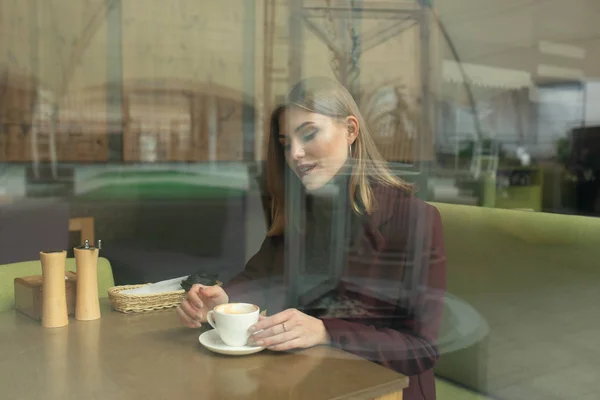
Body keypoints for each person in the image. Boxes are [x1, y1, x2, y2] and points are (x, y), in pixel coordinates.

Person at [177, 77, 446, 400]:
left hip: (381, 392)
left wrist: (325, 332)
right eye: (286, 142)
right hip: (304, 381)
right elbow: (259, 277)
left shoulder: (414, 220)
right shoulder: (301, 215)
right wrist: (224, 301)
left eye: (308, 134)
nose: (296, 154)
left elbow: (420, 349)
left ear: (350, 131)